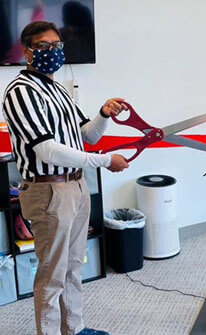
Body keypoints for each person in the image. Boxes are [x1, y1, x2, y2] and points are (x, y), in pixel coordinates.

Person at [2, 21, 129, 335]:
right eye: (44, 46)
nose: (53, 52)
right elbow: (47, 150)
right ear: (27, 51)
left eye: (57, 45)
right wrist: (103, 162)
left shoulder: (58, 89)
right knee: (51, 273)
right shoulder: (20, 92)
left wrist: (103, 114)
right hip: (49, 192)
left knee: (74, 266)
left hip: (76, 186)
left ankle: (75, 328)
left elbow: (88, 135)